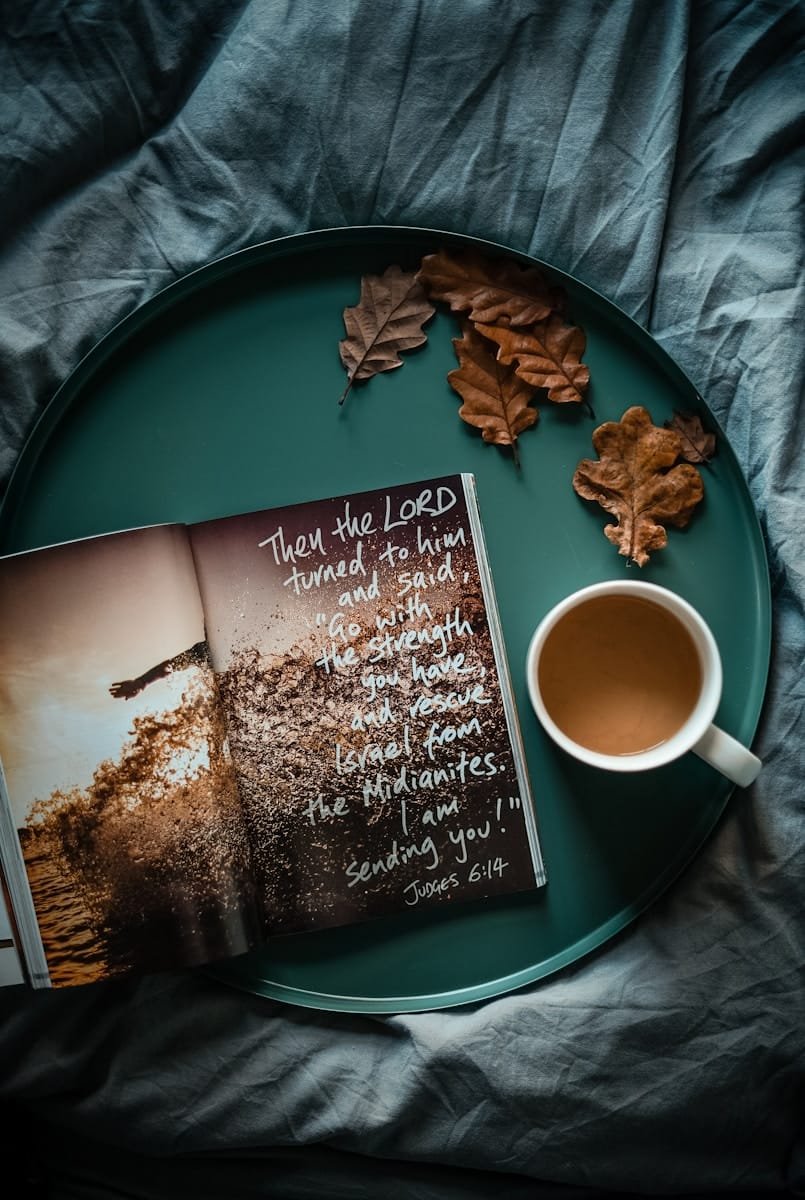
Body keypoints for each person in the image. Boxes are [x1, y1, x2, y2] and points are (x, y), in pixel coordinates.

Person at [109, 641, 208, 699]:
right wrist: (141, 682)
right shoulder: (203, 653)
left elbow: (169, 667)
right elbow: (169, 667)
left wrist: (142, 682)